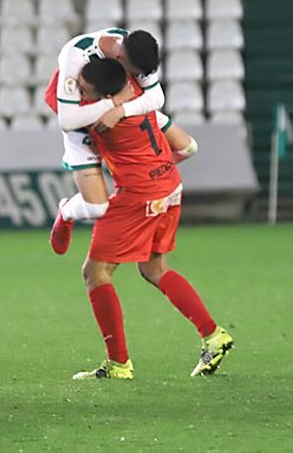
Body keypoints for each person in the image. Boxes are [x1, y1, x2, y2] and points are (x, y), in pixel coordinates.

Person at [66, 58, 232, 380]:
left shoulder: (100, 117)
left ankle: (119, 365)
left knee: (95, 272)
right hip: (169, 188)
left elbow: (62, 114)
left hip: (138, 196)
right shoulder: (143, 103)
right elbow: (189, 146)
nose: (80, 93)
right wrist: (154, 167)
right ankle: (214, 336)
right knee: (154, 268)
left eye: (85, 90)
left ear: (102, 95)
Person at [43, 28, 198, 254]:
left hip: (122, 106)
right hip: (80, 109)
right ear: (119, 57)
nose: (132, 77)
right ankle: (66, 212)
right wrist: (112, 104)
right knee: (97, 208)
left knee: (189, 147)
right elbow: (67, 120)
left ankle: (145, 177)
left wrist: (121, 110)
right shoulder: (75, 55)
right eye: (131, 72)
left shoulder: (137, 53)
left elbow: (156, 97)